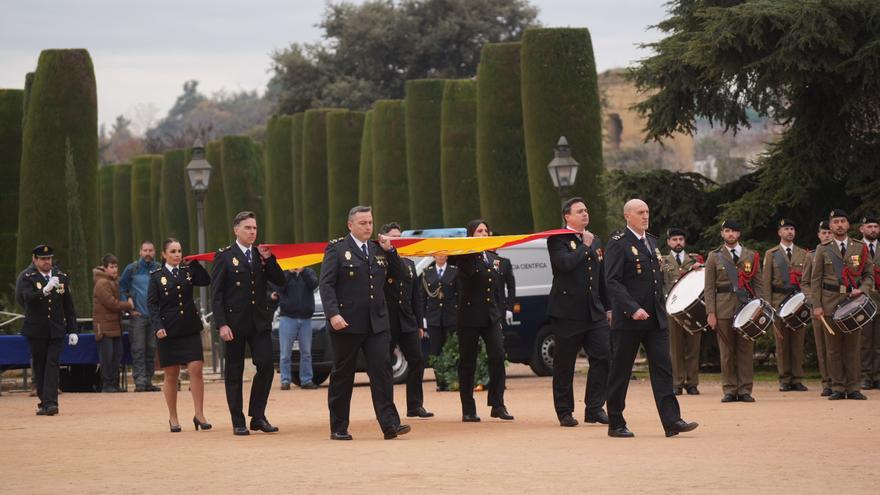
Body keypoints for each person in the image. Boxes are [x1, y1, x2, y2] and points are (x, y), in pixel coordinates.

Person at [604, 200, 697, 438]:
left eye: (647, 212)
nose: (645, 216)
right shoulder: (618, 244)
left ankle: (672, 421)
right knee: (621, 371)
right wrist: (632, 308)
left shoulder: (652, 242)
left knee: (663, 368)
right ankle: (615, 422)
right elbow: (612, 281)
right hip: (629, 319)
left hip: (655, 318)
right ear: (627, 216)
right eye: (640, 212)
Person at [319, 206, 411, 440]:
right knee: (343, 374)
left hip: (376, 323)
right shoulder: (337, 249)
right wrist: (333, 314)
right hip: (346, 324)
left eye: (370, 222)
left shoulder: (379, 250)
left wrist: (391, 252)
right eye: (362, 223)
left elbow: (402, 276)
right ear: (350, 225)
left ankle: (390, 424)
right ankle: (339, 427)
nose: (368, 227)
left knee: (382, 372)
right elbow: (326, 284)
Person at [211, 211, 286, 435]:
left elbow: (280, 281)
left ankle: (258, 415)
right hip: (234, 324)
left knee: (265, 367)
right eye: (248, 228)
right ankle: (238, 420)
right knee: (234, 371)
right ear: (236, 230)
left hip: (259, 322)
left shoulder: (259, 254)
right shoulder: (225, 256)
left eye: (254, 228)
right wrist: (222, 324)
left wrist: (269, 258)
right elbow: (217, 295)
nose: (252, 232)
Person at [547, 197, 611, 428]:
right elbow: (564, 264)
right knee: (565, 364)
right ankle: (564, 410)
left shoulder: (595, 240)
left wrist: (608, 306)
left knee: (603, 356)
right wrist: (584, 246)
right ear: (568, 216)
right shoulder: (558, 239)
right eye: (579, 211)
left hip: (594, 311)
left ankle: (594, 408)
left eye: (586, 210)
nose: (585, 214)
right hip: (567, 312)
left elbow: (600, 276)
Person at [449, 219, 513, 423]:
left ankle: (497, 404)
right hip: (469, 316)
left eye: (486, 231)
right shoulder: (464, 256)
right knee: (468, 362)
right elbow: (452, 258)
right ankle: (468, 408)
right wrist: (467, 247)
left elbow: (497, 290)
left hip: (490, 315)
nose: (484, 234)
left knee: (498, 355)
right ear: (471, 234)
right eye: (479, 231)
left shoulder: (493, 258)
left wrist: (502, 313)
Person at [148, 238, 213, 432]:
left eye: (179, 251)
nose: (177, 254)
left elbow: (205, 280)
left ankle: (199, 415)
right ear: (164, 254)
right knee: (171, 374)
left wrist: (193, 263)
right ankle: (173, 417)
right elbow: (152, 304)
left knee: (196, 368)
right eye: (173, 251)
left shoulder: (187, 271)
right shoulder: (157, 276)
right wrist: (157, 326)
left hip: (189, 328)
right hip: (168, 331)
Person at [810, 209, 873, 400]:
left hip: (854, 303)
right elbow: (816, 279)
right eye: (835, 221)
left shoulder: (859, 247)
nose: (839, 225)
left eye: (842, 221)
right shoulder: (823, 248)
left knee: (853, 347)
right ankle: (837, 387)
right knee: (833, 349)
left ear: (848, 225)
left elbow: (869, 275)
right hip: (830, 302)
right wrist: (817, 305)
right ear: (830, 226)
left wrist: (863, 288)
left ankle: (853, 387)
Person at [704, 219, 763, 403]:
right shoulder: (714, 256)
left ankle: (745, 389)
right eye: (727, 231)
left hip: (746, 308)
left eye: (734, 231)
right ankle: (729, 389)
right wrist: (710, 312)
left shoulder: (751, 256)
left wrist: (761, 307)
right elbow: (709, 287)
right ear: (722, 233)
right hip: (722, 309)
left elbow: (758, 284)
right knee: (727, 352)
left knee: (745, 351)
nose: (730, 234)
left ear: (739, 234)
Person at [16, 245, 79, 415]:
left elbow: (68, 305)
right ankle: (44, 400)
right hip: (36, 329)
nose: (47, 262)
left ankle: (51, 403)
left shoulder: (61, 277)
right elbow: (26, 298)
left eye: (49, 258)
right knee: (40, 364)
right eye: (43, 259)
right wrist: (44, 290)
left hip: (56, 329)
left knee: (52, 363)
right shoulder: (28, 277)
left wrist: (73, 329)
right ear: (35, 260)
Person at [380, 222, 433, 418]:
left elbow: (416, 296)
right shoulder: (380, 262)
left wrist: (419, 323)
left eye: (400, 237)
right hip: (387, 321)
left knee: (417, 360)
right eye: (394, 237)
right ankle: (387, 409)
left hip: (408, 321)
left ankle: (415, 406)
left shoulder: (410, 263)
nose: (398, 240)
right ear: (384, 239)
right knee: (384, 365)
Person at [761, 219, 809, 392]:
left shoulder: (803, 253)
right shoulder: (771, 254)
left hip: (798, 302)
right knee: (782, 344)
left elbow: (807, 280)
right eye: (786, 229)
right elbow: (765, 281)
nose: (789, 232)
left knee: (797, 342)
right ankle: (784, 378)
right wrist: (768, 305)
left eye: (792, 229)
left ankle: (797, 378)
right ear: (779, 232)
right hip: (778, 301)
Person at [661, 228, 703, 396]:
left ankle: (692, 383)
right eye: (674, 239)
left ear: (684, 242)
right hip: (673, 310)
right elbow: (660, 286)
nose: (678, 242)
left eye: (680, 239)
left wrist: (697, 269)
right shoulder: (663, 262)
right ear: (668, 242)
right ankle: (677, 382)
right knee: (675, 348)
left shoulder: (694, 260)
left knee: (693, 347)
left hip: (693, 309)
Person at [119, 241, 161, 392]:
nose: (148, 253)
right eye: (145, 250)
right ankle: (140, 382)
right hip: (138, 316)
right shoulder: (132, 269)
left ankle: (148, 381)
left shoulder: (158, 268)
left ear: (154, 252)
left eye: (150, 250)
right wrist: (128, 307)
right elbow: (121, 288)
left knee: (151, 349)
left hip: (154, 316)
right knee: (138, 349)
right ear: (140, 252)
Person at [270, 266, 318, 390]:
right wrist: (290, 274)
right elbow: (280, 288)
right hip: (287, 318)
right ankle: (285, 380)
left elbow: (313, 284)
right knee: (285, 352)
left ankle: (306, 380)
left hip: (306, 318)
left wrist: (303, 272)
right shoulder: (285, 273)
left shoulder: (309, 272)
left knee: (306, 352)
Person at [92, 254, 134, 393]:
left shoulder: (114, 281)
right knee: (107, 358)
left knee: (116, 356)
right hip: (104, 327)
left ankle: (114, 383)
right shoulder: (101, 283)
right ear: (105, 268)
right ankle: (107, 384)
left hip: (115, 325)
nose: (115, 269)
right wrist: (128, 305)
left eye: (116, 266)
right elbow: (111, 304)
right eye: (111, 267)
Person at [802, 220, 833, 396]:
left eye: (829, 232)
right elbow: (805, 282)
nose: (827, 235)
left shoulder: (840, 253)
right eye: (824, 233)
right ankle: (827, 383)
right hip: (819, 307)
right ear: (819, 235)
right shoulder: (811, 256)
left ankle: (842, 380)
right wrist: (814, 302)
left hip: (838, 305)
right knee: (823, 347)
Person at [420, 253, 459, 391]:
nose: (441, 257)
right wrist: (423, 317)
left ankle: (451, 380)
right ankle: (440, 381)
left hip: (451, 317)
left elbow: (459, 295)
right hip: (434, 318)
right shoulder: (427, 273)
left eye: (443, 254)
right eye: (438, 254)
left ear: (447, 256)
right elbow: (423, 297)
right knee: (435, 350)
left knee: (451, 349)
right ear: (434, 257)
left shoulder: (454, 271)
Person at [858, 215, 880, 390]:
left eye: (875, 226)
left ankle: (877, 375)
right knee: (864, 341)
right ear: (862, 229)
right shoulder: (855, 249)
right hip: (862, 300)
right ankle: (865, 376)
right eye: (869, 226)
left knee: (878, 341)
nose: (873, 229)